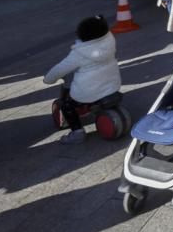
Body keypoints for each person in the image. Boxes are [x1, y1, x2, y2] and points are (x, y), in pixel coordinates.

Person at [42, 15, 122, 144]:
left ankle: (77, 132)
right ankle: (95, 108)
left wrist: (48, 79)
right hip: (111, 85)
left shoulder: (79, 53)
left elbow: (61, 68)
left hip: (89, 92)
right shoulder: (109, 40)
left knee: (67, 104)